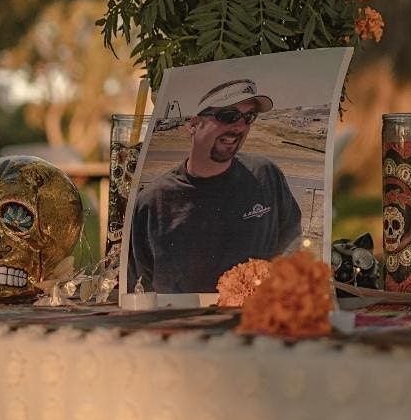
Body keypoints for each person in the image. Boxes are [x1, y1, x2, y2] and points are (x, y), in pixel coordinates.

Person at [127, 78, 302, 293]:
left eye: (249, 117)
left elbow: (292, 240)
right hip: (183, 323)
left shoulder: (266, 175)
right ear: (192, 123)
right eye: (228, 115)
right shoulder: (152, 201)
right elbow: (138, 287)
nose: (239, 126)